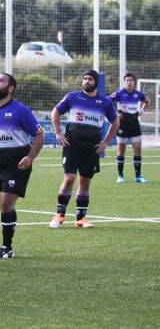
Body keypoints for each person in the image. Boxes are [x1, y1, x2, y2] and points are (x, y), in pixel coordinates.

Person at [0, 73, 45, 260]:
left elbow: (39, 135)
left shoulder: (21, 110)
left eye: (1, 80)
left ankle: (7, 247)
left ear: (11, 88)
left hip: (15, 166)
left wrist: (30, 157)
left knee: (6, 204)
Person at [49, 70, 119, 229]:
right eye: (85, 78)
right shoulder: (72, 97)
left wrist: (106, 142)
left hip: (92, 148)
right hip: (71, 145)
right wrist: (58, 133)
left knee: (85, 181)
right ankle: (59, 215)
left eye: (90, 79)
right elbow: (55, 112)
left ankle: (80, 219)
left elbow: (115, 122)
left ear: (96, 82)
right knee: (70, 178)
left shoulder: (105, 102)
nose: (87, 81)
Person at [110, 72, 150, 183]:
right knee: (121, 150)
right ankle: (120, 176)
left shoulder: (138, 94)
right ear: (124, 82)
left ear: (134, 82)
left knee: (137, 150)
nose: (129, 82)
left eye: (131, 80)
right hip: (122, 125)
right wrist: (114, 114)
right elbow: (106, 102)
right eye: (127, 80)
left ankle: (138, 177)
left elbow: (147, 101)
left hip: (134, 125)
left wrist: (141, 112)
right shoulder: (118, 94)